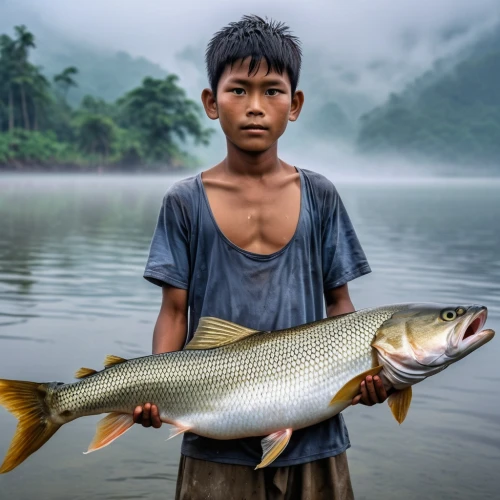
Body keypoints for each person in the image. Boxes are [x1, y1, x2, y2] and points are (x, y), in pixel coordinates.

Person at [136, 14, 388, 499]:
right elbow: (173, 310)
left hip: (315, 434)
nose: (255, 107)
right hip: (214, 437)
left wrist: (368, 372)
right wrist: (157, 388)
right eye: (238, 90)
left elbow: (340, 304)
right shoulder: (185, 201)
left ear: (294, 105)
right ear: (212, 102)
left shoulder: (320, 195)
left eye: (272, 91)